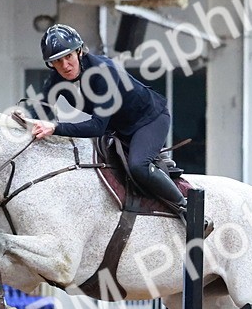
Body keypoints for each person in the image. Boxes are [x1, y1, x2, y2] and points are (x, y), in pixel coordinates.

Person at [27, 24, 186, 210]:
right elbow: (40, 113)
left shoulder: (104, 71)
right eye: (57, 61)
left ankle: (185, 207)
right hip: (117, 127)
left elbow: (97, 127)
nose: (64, 66)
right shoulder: (56, 80)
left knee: (138, 166)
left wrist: (55, 127)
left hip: (149, 120)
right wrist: (22, 122)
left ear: (79, 51)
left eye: (68, 57)